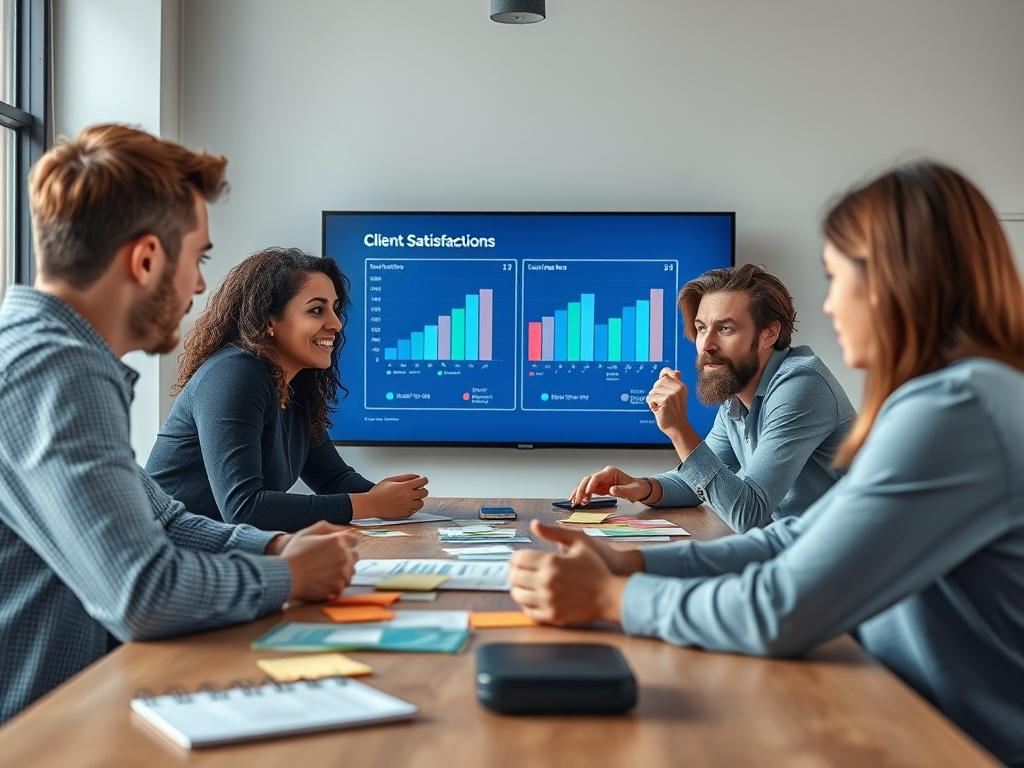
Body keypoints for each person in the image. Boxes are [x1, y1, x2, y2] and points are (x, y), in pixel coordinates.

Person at [510, 161, 1024, 767]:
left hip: (952, 741)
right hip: (907, 707)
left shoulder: (951, 411)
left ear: (892, 279)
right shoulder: (965, 393)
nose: (830, 306)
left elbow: (780, 602)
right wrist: (631, 560)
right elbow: (800, 535)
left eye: (836, 278)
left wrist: (612, 600)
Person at [0, 125, 359, 724]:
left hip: (79, 707)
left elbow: (161, 517)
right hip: (40, 731)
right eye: (198, 259)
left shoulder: (57, 356)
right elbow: (141, 594)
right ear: (145, 259)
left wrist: (275, 544)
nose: (198, 285)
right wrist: (284, 575)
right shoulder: (54, 371)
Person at [145, 247, 429, 531]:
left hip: (222, 554)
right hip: (165, 560)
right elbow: (244, 508)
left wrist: (393, 496)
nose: (336, 323)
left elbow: (333, 479)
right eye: (317, 310)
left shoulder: (295, 386)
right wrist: (371, 504)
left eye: (334, 308)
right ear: (270, 320)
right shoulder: (234, 374)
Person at [570, 264, 855, 532]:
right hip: (799, 549)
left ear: (769, 333)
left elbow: (748, 514)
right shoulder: (738, 390)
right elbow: (700, 480)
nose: (706, 344)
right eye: (702, 328)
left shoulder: (800, 385)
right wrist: (644, 486)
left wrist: (679, 429)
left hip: (851, 565)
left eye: (725, 328)